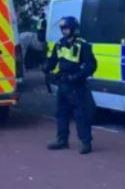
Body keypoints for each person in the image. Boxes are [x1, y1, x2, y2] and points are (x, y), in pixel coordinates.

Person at [45, 16, 98, 154]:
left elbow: (91, 65)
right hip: (63, 84)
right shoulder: (60, 44)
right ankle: (62, 140)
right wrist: (47, 68)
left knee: (81, 114)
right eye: (62, 29)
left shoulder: (82, 45)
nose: (64, 31)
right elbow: (53, 60)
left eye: (66, 28)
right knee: (61, 113)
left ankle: (86, 143)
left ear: (73, 29)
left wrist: (77, 76)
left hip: (76, 85)